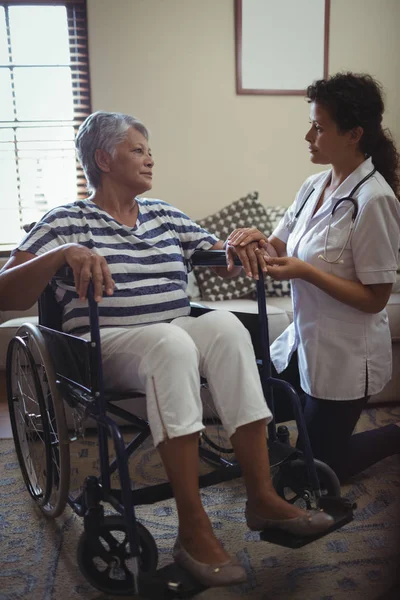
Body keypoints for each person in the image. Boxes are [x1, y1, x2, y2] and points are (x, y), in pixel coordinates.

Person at [0, 111, 333, 587]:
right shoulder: (65, 220)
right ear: (103, 158)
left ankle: (261, 496)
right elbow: (6, 293)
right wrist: (61, 253)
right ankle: (193, 530)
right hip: (104, 346)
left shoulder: (165, 215)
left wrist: (245, 242)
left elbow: (223, 263)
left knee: (223, 326)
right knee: (170, 341)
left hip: (172, 332)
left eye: (149, 150)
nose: (150, 159)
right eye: (138, 150)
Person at [227, 72, 400, 483]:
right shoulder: (313, 185)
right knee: (255, 402)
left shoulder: (375, 200)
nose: (308, 136)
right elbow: (280, 247)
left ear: (354, 134)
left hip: (345, 357)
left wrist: (309, 273)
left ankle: (393, 435)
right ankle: (304, 441)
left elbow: (376, 298)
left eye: (319, 128)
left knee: (319, 472)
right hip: (303, 342)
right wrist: (255, 240)